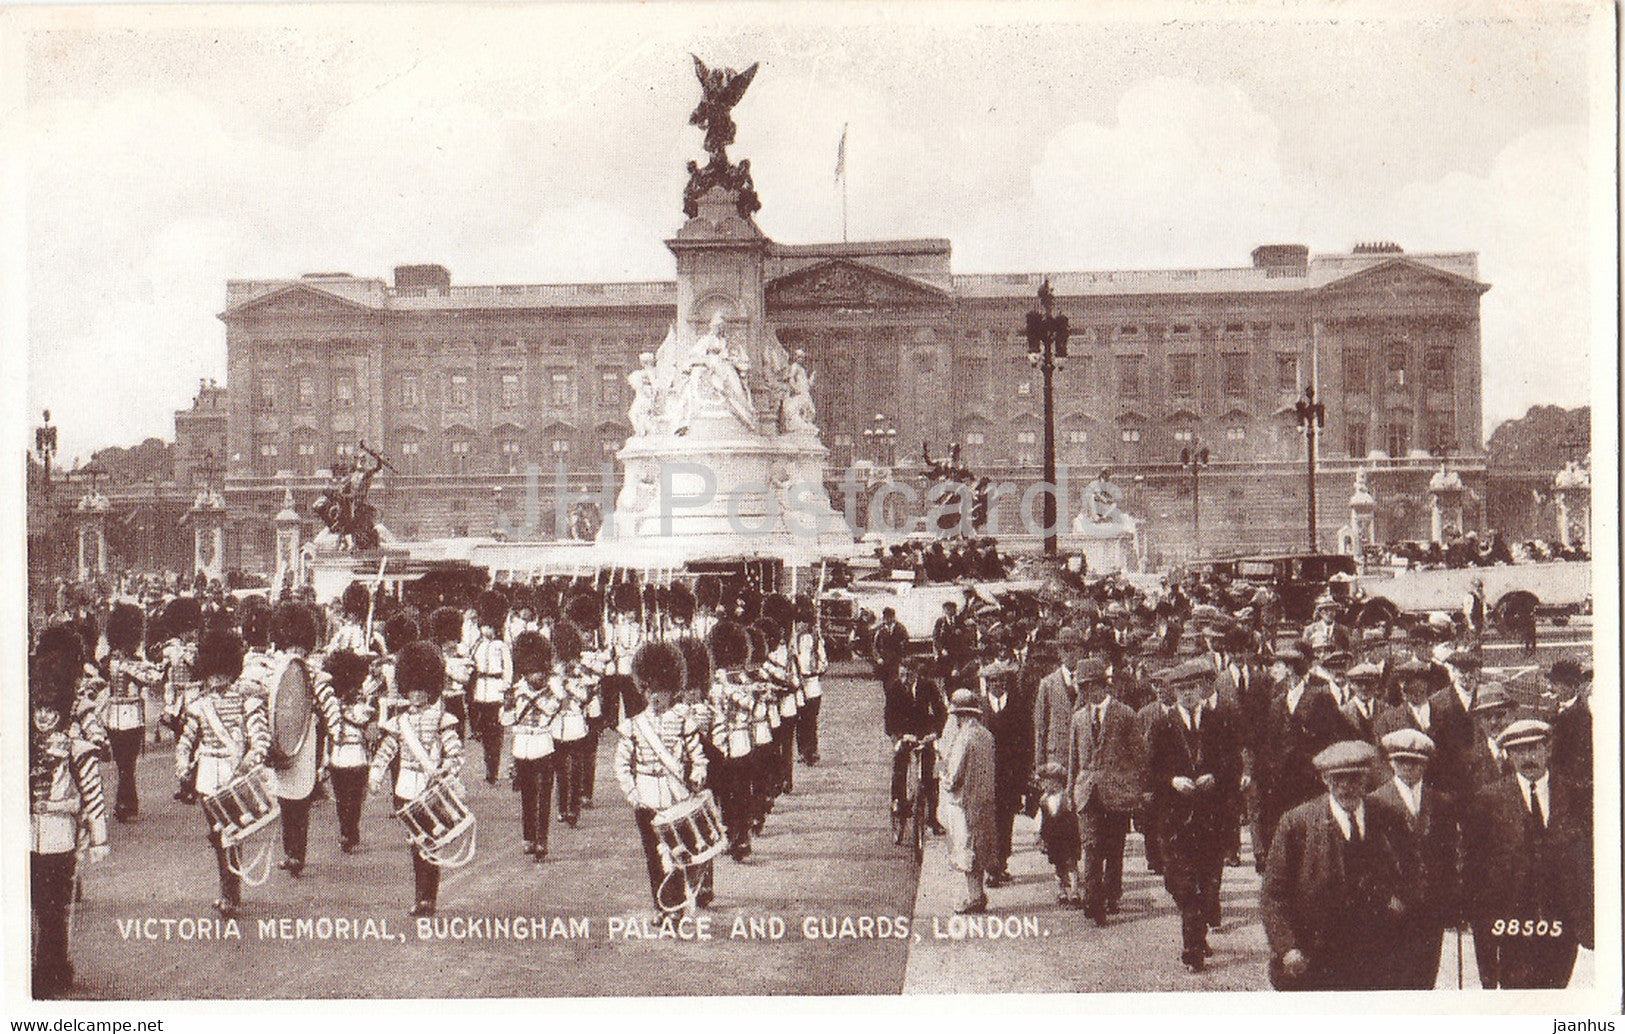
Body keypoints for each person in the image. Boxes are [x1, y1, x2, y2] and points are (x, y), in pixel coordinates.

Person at [1261, 740, 1421, 990]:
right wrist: (1288, 947)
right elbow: (1273, 894)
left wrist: (1400, 900)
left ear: (1366, 779)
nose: (1346, 787)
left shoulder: (1388, 817)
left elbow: (1414, 870)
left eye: (1354, 779)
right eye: (1338, 779)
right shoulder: (1297, 823)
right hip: (1316, 954)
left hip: (1375, 953)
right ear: (1325, 780)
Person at [1462, 718, 1593, 989]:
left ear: (1548, 748)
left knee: (1556, 994)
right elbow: (1476, 872)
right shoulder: (1489, 800)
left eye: (1533, 748)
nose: (1527, 758)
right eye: (1518, 751)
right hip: (1512, 928)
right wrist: (1485, 934)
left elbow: (1589, 860)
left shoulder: (1576, 794)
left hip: (1562, 925)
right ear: (1509, 756)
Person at [1147, 660, 1242, 972]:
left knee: (1208, 884)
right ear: (1173, 692)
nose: (1187, 694)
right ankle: (1192, 945)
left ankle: (1197, 936)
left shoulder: (1219, 721)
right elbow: (1151, 772)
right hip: (1175, 821)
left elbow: (1234, 763)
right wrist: (1173, 781)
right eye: (1181, 689)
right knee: (1183, 885)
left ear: (1201, 688)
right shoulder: (1163, 725)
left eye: (1192, 688)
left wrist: (1216, 776)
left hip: (1212, 819)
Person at [30, 642, 111, 997]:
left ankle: (53, 969)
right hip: (26, 835)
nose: (44, 716)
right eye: (39, 709)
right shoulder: (24, 745)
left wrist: (99, 838)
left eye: (50, 710)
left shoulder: (75, 747)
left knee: (52, 911)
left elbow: (92, 793)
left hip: (60, 835)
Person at [174, 627, 269, 918]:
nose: (216, 680)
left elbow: (260, 739)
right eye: (212, 673)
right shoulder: (199, 705)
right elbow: (186, 740)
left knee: (231, 835)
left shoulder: (247, 700)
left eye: (221, 673)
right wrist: (182, 765)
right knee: (219, 837)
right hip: (207, 779)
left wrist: (248, 764)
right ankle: (228, 890)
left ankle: (231, 893)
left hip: (233, 776)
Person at [613, 641, 711, 913]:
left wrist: (698, 773)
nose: (656, 697)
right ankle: (662, 905)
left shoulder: (682, 722)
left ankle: (677, 900)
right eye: (650, 691)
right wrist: (632, 793)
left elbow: (698, 756)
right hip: (646, 797)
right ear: (643, 690)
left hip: (675, 795)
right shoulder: (633, 725)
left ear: (672, 691)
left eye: (662, 692)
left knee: (680, 850)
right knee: (653, 854)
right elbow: (622, 764)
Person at [368, 641, 465, 917]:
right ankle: (420, 896)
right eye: (412, 689)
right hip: (406, 787)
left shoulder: (442, 719)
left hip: (429, 788)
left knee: (429, 843)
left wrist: (447, 769)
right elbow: (387, 750)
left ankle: (427, 898)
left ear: (430, 690)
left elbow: (455, 753)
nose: (416, 695)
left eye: (421, 690)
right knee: (415, 844)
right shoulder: (400, 722)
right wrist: (376, 774)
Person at [1368, 729, 1460, 989]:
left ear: (1425, 764)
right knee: (1392, 977)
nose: (1408, 767)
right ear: (1391, 762)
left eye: (1415, 762)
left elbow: (1450, 854)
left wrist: (1451, 899)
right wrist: (1386, 896)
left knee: (1425, 976)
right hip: (1392, 908)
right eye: (1401, 761)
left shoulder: (1441, 802)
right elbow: (1368, 860)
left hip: (1431, 907)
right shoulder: (1375, 802)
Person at [1254, 642, 1346, 872]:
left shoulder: (1319, 697)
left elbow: (1332, 736)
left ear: (1291, 670)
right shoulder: (1277, 703)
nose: (1274, 672)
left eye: (1279, 666)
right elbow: (1269, 744)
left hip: (1310, 780)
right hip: (1283, 782)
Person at [1067, 653, 1144, 924]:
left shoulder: (1125, 714)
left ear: (1102, 685)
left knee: (1114, 847)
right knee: (1091, 846)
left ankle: (1112, 894)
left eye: (1091, 686)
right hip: (1087, 792)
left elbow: (1139, 756)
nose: (1087, 693)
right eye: (1083, 688)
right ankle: (1093, 900)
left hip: (1117, 792)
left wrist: (1136, 790)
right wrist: (1071, 791)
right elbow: (1073, 759)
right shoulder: (1078, 718)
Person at [976, 642, 1032, 887]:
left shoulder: (1018, 707)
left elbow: (1026, 741)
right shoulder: (979, 708)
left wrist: (1024, 773)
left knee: (1006, 820)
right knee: (988, 820)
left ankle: (1001, 863)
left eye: (1001, 681)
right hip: (986, 774)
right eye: (992, 681)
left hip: (1010, 774)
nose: (997, 685)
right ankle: (992, 866)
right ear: (987, 683)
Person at [940, 688, 997, 915]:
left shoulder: (964, 738)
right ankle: (978, 894)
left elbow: (954, 776)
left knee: (966, 849)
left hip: (964, 802)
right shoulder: (987, 736)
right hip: (985, 800)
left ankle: (974, 897)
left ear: (960, 715)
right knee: (980, 848)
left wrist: (944, 778)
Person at [506, 630, 561, 861]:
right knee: (527, 796)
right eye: (534, 671)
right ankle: (529, 837)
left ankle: (542, 839)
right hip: (522, 746)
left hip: (543, 744)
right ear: (526, 672)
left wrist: (532, 698)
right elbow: (506, 721)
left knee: (543, 796)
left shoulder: (551, 692)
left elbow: (551, 710)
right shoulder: (516, 692)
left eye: (541, 671)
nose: (539, 676)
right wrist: (510, 704)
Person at [884, 654, 947, 836]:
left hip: (924, 733)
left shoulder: (928, 686)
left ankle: (932, 818)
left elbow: (941, 712)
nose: (904, 679)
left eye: (908, 675)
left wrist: (936, 732)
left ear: (916, 674)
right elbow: (889, 718)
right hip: (904, 733)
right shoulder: (894, 688)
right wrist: (899, 736)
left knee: (931, 775)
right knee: (900, 764)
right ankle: (898, 801)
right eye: (901, 675)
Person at [323, 650, 374, 855]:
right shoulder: (332, 704)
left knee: (354, 799)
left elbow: (367, 725)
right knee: (342, 799)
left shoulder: (363, 703)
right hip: (339, 755)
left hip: (357, 754)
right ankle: (346, 831)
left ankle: (351, 829)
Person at [468, 590, 514, 785]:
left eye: (488, 626)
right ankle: (488, 766)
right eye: (483, 625)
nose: (484, 629)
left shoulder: (501, 646)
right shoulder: (478, 645)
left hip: (495, 691)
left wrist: (505, 686)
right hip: (481, 691)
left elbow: (508, 668)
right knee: (486, 734)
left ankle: (493, 770)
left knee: (495, 734)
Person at [1032, 628, 1085, 776]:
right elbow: (1041, 727)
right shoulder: (1048, 683)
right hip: (1056, 759)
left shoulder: (1087, 683)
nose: (1070, 654)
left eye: (1074, 649)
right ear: (1059, 652)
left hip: (1083, 757)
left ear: (1081, 651)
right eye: (1065, 649)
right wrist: (1040, 765)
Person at [1035, 761, 1082, 908]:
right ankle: (1061, 891)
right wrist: (1039, 835)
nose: (1044, 785)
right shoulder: (1044, 800)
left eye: (1047, 781)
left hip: (1069, 837)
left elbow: (1076, 818)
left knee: (1071, 864)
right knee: (1058, 865)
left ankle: (1074, 891)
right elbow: (1040, 820)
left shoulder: (1067, 798)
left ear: (1057, 782)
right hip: (1054, 839)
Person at [872, 607, 909, 683]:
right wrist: (878, 658)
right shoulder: (880, 630)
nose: (887, 619)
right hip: (884, 661)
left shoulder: (900, 629)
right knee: (886, 682)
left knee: (896, 682)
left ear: (893, 617)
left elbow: (905, 644)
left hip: (897, 660)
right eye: (886, 617)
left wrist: (902, 657)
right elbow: (875, 646)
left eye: (890, 617)